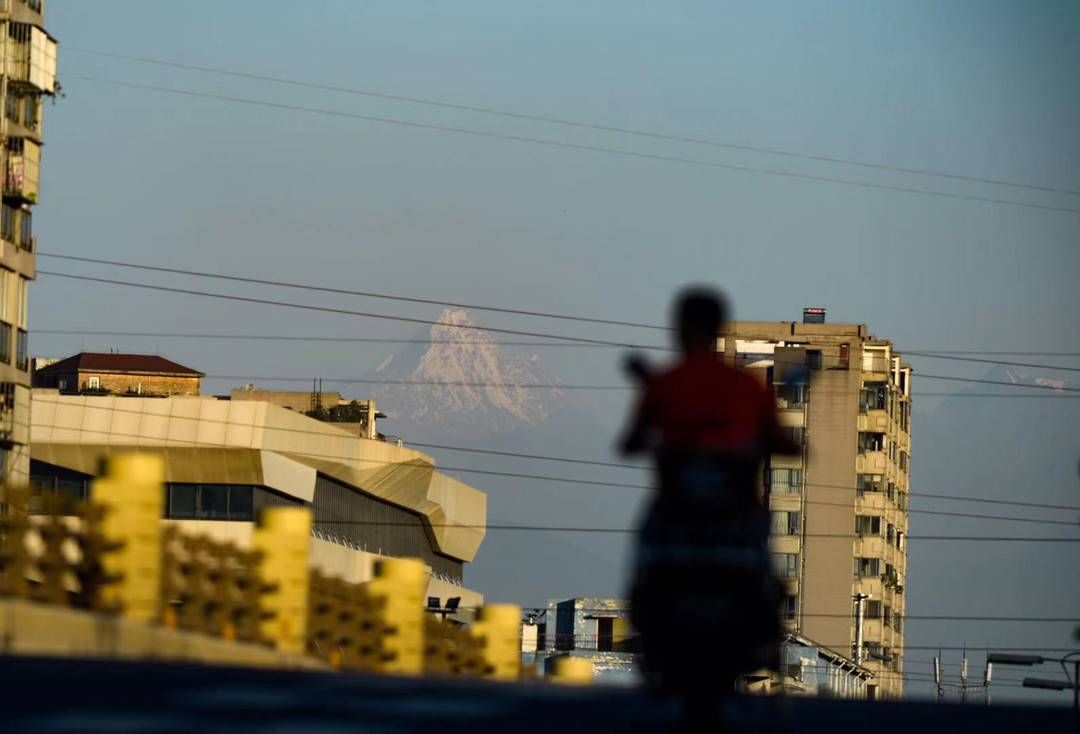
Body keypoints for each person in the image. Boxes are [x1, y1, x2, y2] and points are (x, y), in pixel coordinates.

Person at [618, 287, 798, 710]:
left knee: (643, 559)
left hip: (675, 519)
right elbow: (780, 441)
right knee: (764, 573)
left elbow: (630, 442)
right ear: (719, 329)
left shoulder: (664, 383)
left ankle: (652, 637)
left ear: (677, 328)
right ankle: (766, 640)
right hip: (736, 520)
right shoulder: (746, 386)